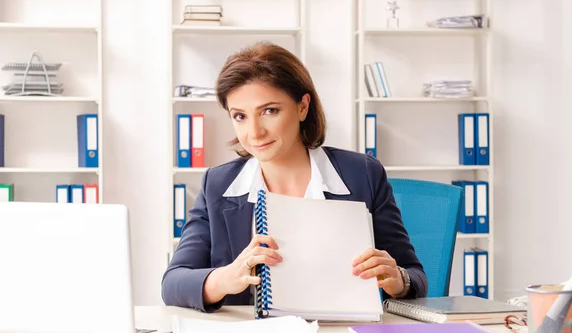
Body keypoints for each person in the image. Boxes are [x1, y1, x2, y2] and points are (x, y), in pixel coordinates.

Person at [161, 41, 428, 312]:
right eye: (240, 116)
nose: (254, 132)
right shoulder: (217, 185)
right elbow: (173, 283)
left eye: (269, 111)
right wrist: (227, 277)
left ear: (303, 107)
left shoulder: (363, 174)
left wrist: (398, 279)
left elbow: (415, 276)